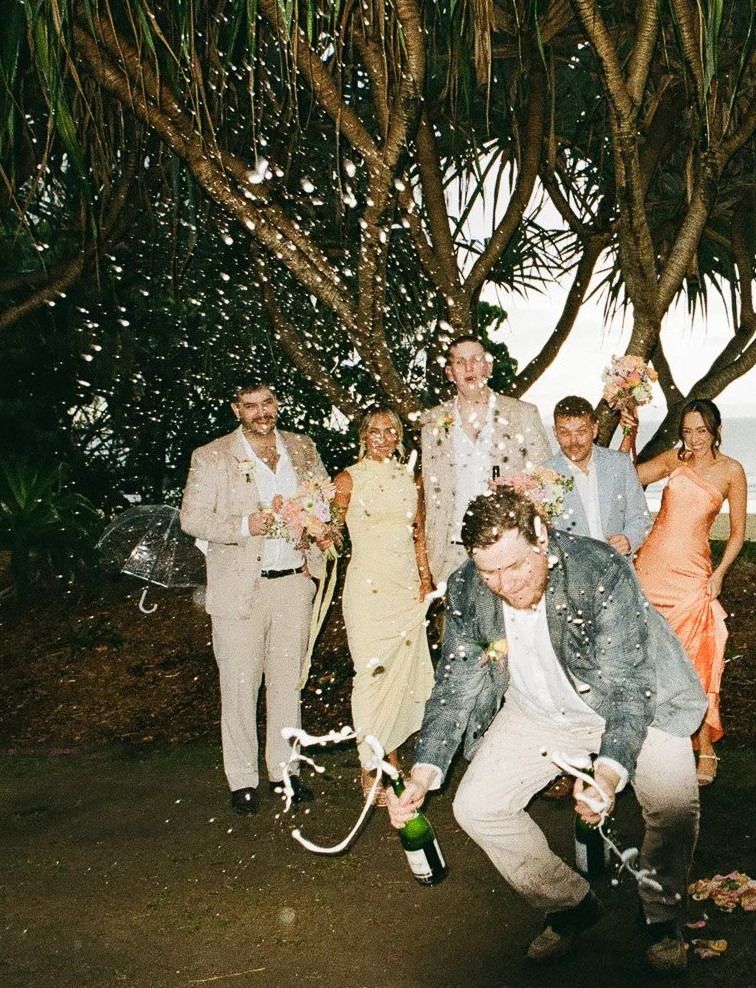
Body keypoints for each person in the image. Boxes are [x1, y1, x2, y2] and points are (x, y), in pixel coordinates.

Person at [387, 489, 708, 972]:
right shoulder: (468, 589)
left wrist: (607, 775)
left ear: (541, 535)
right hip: (537, 711)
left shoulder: (597, 570)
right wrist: (423, 771)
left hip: (638, 702)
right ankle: (569, 904)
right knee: (477, 806)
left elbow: (628, 686)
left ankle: (661, 916)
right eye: (489, 571)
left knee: (674, 805)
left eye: (515, 567)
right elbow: (455, 687)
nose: (504, 585)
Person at [179, 381, 333, 814]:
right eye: (250, 406)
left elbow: (323, 504)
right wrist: (247, 525)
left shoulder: (301, 448)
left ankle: (286, 773)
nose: (261, 412)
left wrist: (320, 530)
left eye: (267, 402)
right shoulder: (211, 456)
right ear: (236, 410)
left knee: (288, 684)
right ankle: (242, 780)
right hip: (239, 590)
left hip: (293, 583)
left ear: (277, 404)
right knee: (240, 686)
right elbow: (192, 518)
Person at [634, 399, 747, 786]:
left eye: (701, 431)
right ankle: (650, 740)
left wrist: (719, 575)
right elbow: (628, 478)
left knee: (697, 658)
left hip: (692, 575)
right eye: (686, 431)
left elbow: (737, 534)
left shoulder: (731, 470)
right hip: (650, 570)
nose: (694, 439)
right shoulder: (673, 460)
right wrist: (630, 432)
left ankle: (705, 746)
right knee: (646, 658)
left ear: (716, 429)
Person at [330, 407, 435, 798]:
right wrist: (313, 531)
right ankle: (368, 763)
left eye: (390, 430)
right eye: (375, 430)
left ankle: (390, 760)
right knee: (370, 675)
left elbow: (419, 533)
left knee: (399, 676)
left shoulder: (411, 479)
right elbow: (332, 534)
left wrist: (425, 579)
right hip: (368, 589)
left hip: (405, 588)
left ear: (398, 437)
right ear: (363, 434)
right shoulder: (347, 479)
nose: (383, 436)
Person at [417, 332, 552, 587]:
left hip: (511, 549)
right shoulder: (432, 422)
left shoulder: (522, 414)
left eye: (476, 360)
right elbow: (430, 496)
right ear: (449, 373)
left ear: (488, 367)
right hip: (451, 554)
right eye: (459, 362)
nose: (469, 368)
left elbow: (547, 485)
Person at [544, 395, 652, 555]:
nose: (573, 441)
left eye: (581, 432)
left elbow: (641, 518)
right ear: (555, 433)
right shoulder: (544, 475)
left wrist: (628, 540)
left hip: (618, 571)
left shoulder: (619, 464)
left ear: (594, 429)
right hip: (572, 576)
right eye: (564, 433)